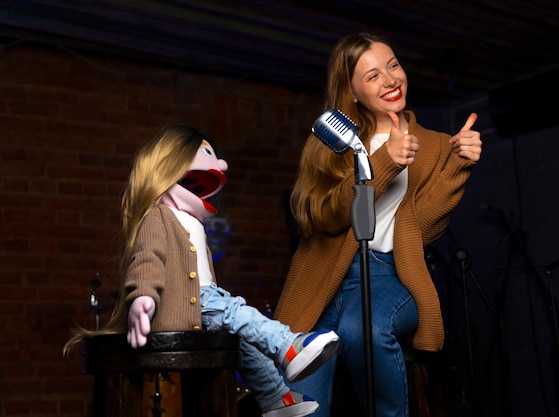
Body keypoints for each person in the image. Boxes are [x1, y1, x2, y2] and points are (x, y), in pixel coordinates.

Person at [63, 125, 339, 417]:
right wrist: (143, 297)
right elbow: (147, 259)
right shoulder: (158, 216)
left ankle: (277, 399)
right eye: (206, 156)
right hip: (193, 303)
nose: (220, 164)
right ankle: (288, 347)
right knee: (237, 312)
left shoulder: (191, 221)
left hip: (205, 301)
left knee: (245, 344)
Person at [273, 32, 482, 417]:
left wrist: (458, 166)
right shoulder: (332, 140)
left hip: (390, 275)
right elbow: (319, 216)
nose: (389, 80)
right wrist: (383, 163)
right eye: (372, 76)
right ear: (350, 91)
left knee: (362, 330)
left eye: (393, 65)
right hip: (322, 278)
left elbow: (423, 228)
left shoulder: (435, 145)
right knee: (298, 403)